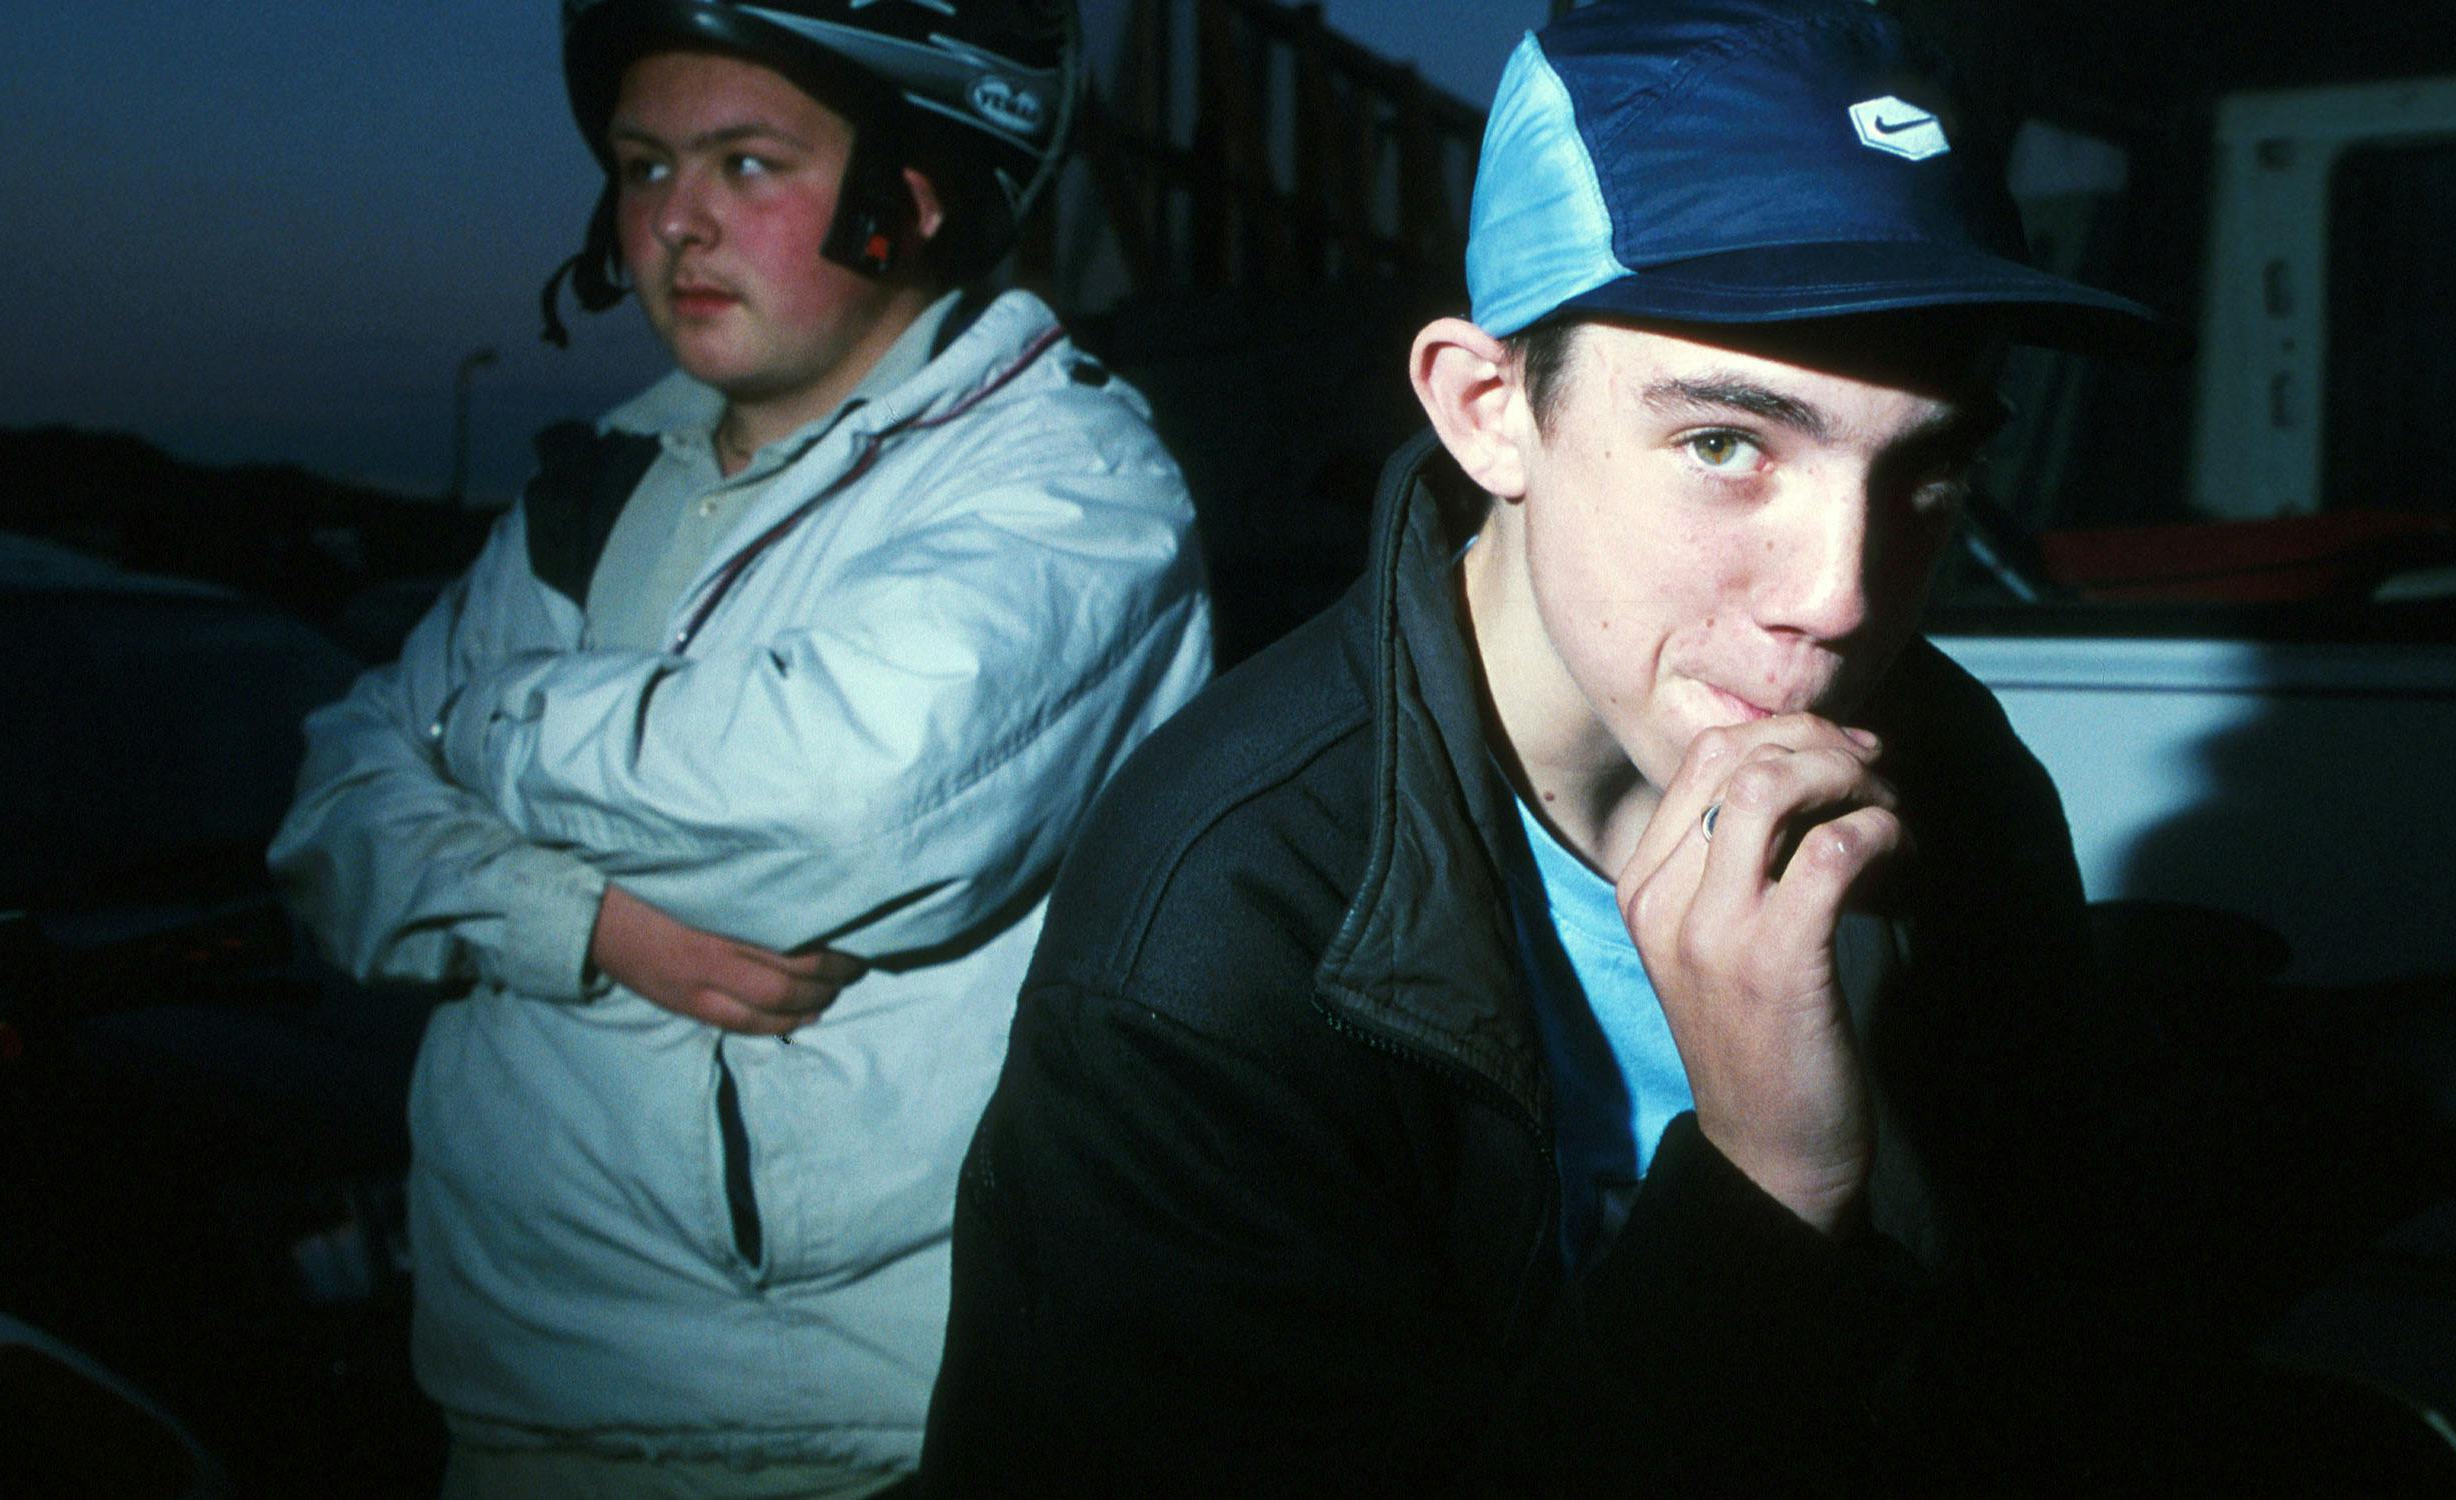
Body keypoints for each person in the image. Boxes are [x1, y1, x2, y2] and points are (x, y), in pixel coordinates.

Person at [920, 0, 2182, 1491]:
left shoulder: (1946, 769)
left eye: (1925, 464)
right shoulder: (1217, 936)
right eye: (1727, 444)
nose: (1839, 597)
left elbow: (2054, 1362)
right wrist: (1767, 1186)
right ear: (1487, 412)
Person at [268, 0, 1209, 1492]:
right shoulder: (598, 489)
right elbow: (330, 814)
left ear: (913, 197)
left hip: (851, 1426)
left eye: (748, 164)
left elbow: (843, 810)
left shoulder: (1069, 482)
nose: (675, 226)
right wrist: (578, 919)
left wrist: (470, 722)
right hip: (511, 1389)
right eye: (645, 169)